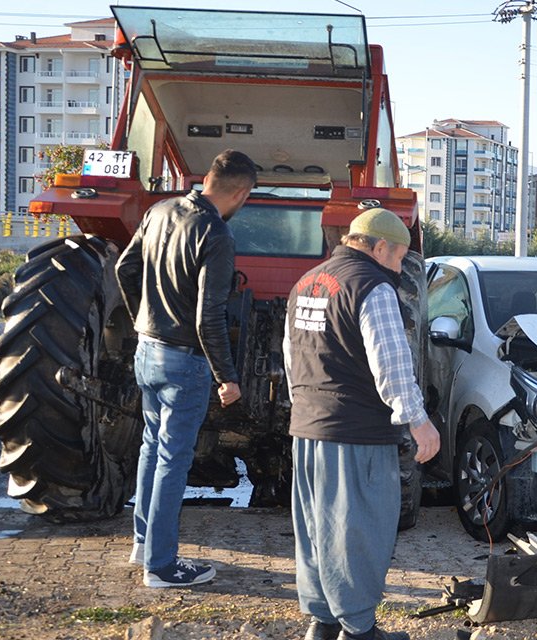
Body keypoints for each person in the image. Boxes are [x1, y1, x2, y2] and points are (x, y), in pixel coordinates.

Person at [283, 207, 440, 640]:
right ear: (380, 246)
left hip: (308, 428)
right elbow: (391, 362)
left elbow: (291, 357)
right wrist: (417, 421)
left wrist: (303, 408)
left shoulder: (306, 283)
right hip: (356, 435)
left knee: (317, 531)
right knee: (360, 531)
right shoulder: (372, 286)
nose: (397, 269)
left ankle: (324, 623)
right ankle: (359, 630)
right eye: (397, 258)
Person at [116, 149, 257, 588]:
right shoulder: (215, 233)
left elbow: (125, 267)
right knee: (172, 460)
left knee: (151, 447)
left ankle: (144, 543)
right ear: (241, 191)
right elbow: (208, 317)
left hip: (147, 350)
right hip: (184, 362)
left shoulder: (159, 210)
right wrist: (227, 377)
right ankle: (161, 567)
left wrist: (144, 319)